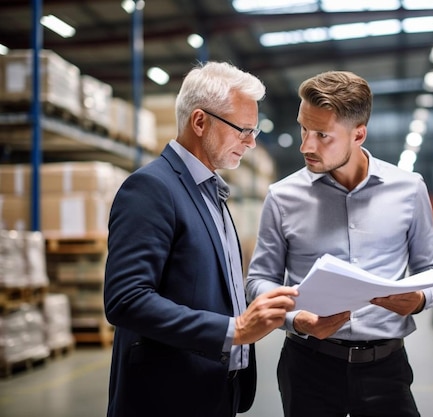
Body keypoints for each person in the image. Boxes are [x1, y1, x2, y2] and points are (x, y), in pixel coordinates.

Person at [103, 61, 298, 417]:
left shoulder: (211, 192)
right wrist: (233, 329)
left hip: (215, 391)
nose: (251, 142)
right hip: (167, 397)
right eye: (243, 129)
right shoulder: (152, 188)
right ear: (199, 121)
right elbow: (126, 299)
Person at [246, 70, 433, 417]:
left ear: (359, 134)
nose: (306, 145)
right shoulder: (282, 197)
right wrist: (298, 319)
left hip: (386, 368)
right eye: (303, 128)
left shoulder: (409, 188)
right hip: (308, 366)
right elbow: (258, 281)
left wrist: (417, 300)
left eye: (322, 135)